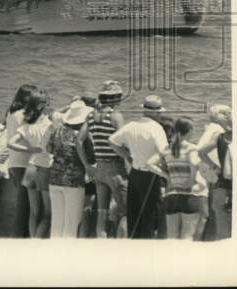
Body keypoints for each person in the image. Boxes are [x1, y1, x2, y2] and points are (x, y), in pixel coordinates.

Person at [109, 94, 168, 239]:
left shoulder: (131, 126)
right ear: (155, 112)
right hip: (150, 175)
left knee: (134, 215)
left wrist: (127, 156)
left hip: (135, 174)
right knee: (149, 215)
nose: (160, 114)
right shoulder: (156, 128)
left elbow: (112, 141)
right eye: (159, 112)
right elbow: (163, 152)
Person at [77, 80, 127, 238]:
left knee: (102, 214)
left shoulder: (91, 116)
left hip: (99, 169)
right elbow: (122, 143)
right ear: (115, 98)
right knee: (125, 213)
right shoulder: (116, 116)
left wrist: (86, 165)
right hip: (115, 168)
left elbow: (78, 140)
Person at [148, 117, 208, 240]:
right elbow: (193, 162)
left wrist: (167, 176)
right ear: (190, 130)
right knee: (187, 236)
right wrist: (191, 181)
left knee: (171, 236)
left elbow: (149, 164)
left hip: (171, 195)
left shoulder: (167, 149)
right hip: (189, 196)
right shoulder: (191, 148)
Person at [8, 88, 53, 238]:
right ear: (41, 106)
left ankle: (32, 239)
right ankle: (36, 243)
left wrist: (30, 148)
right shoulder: (49, 125)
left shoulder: (26, 126)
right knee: (47, 213)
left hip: (30, 168)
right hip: (44, 168)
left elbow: (10, 143)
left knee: (33, 212)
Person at [46, 98, 93, 238]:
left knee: (57, 222)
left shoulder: (58, 130)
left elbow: (49, 148)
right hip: (74, 180)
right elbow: (91, 157)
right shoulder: (83, 135)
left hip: (55, 178)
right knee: (71, 223)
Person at [4, 85, 37, 238]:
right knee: (24, 207)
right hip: (23, 162)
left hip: (13, 163)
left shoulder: (11, 114)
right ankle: (17, 240)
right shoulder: (24, 114)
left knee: (21, 205)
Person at [197, 109, 232, 241]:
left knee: (221, 227)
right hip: (227, 182)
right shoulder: (219, 133)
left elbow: (200, 152)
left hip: (219, 183)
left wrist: (216, 167)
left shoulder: (218, 135)